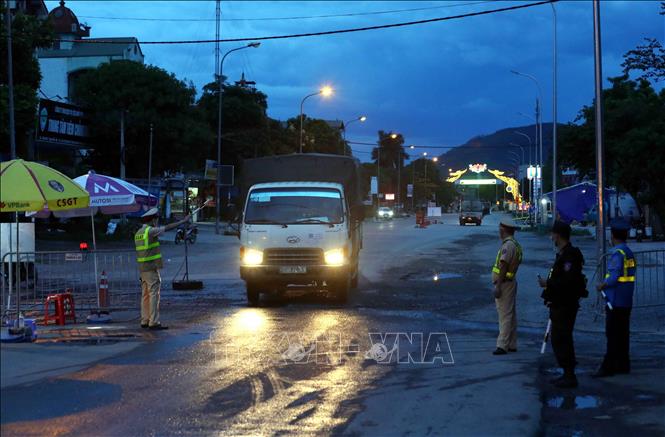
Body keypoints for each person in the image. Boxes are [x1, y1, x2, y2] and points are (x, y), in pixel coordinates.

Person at [538, 220, 586, 388]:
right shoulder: (564, 254)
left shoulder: (569, 256)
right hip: (560, 303)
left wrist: (547, 284)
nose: (551, 237)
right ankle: (567, 373)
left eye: (552, 234)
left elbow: (568, 282)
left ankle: (569, 375)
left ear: (558, 235)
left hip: (565, 304)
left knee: (562, 338)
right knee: (560, 338)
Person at [135, 208, 190, 330]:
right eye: (156, 219)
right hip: (150, 267)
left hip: (142, 268)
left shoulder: (139, 232)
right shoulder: (150, 231)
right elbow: (167, 227)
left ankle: (145, 320)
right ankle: (153, 322)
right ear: (152, 220)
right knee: (154, 293)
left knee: (145, 295)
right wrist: (183, 222)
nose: (157, 222)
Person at [594, 218, 636, 377]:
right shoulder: (628, 252)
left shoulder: (617, 254)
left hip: (615, 300)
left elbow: (613, 277)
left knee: (612, 334)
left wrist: (601, 285)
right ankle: (623, 364)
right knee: (623, 334)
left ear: (613, 235)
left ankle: (608, 366)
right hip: (626, 299)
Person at [492, 219, 523, 355]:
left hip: (504, 284)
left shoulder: (508, 246)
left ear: (503, 230)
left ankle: (502, 345)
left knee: (504, 315)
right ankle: (511, 343)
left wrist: (498, 286)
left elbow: (503, 266)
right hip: (509, 282)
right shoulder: (513, 244)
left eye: (500, 228)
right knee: (510, 314)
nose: (499, 231)